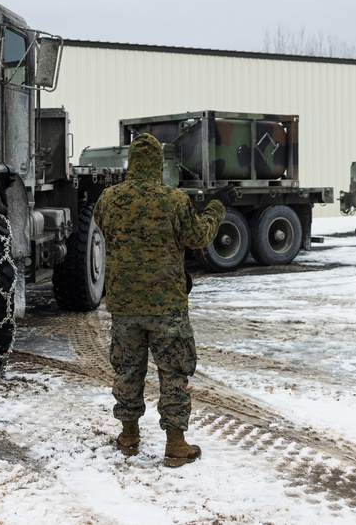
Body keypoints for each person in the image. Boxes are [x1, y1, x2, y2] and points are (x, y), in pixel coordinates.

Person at [93, 133, 235, 467]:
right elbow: (198, 235)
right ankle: (176, 445)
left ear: (131, 163)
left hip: (124, 305)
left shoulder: (108, 200)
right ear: (159, 164)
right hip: (166, 305)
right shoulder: (173, 199)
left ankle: (129, 436)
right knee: (173, 372)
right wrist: (216, 206)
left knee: (127, 370)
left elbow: (106, 226)